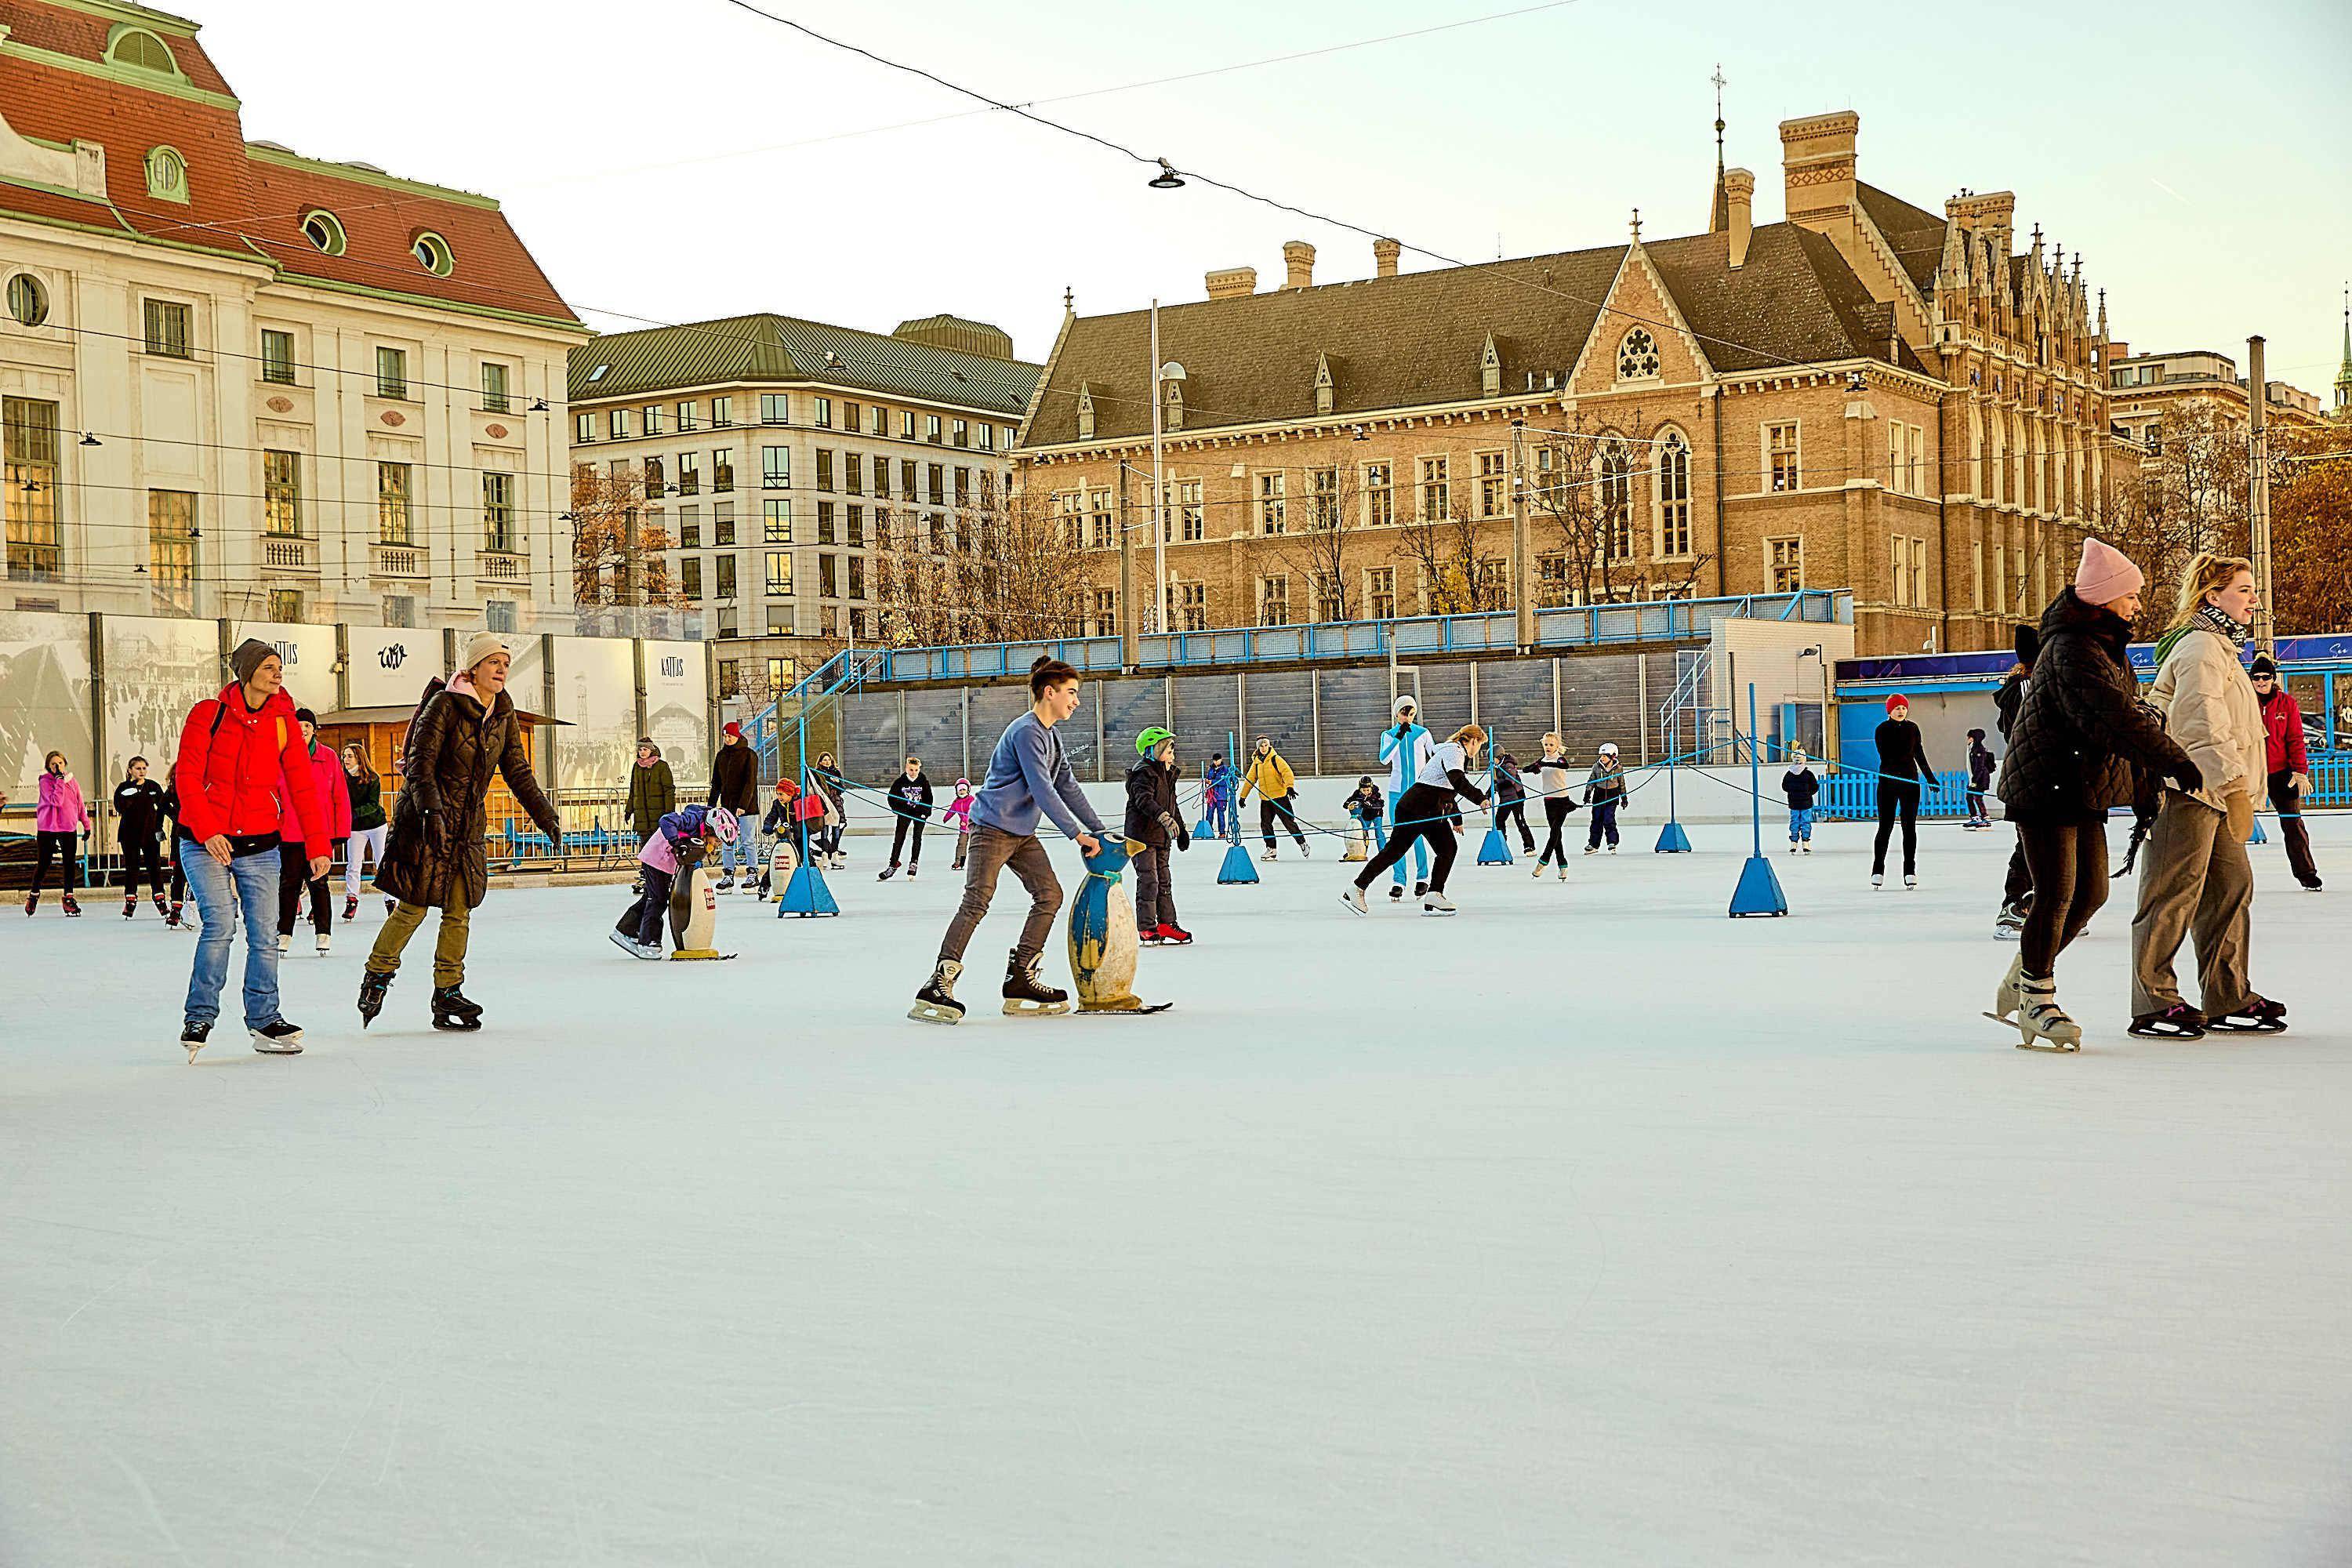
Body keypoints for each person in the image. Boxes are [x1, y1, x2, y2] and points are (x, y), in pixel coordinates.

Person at [1992, 539, 2196, 1051]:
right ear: (2105, 597)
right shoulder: (2070, 648)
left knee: (2093, 893)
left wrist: (2145, 787)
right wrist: (2169, 758)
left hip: (2080, 785)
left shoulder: (2105, 646)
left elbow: (2123, 721)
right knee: (2058, 893)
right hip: (2044, 786)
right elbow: (2114, 718)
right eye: (2130, 595)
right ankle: (2036, 998)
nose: (2137, 604)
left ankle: (2023, 975)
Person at [359, 632, 564, 1033]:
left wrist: (545, 816)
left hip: (467, 826)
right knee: (414, 906)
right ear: (474, 667)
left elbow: (517, 770)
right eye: (493, 662)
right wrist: (432, 812)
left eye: (505, 663)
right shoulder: (445, 705)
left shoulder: (502, 710)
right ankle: (377, 976)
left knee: (459, 909)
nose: (501, 669)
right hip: (426, 821)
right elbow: (419, 764)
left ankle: (447, 991)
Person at [2129, 554, 2283, 1038]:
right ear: (2212, 597)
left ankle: (2226, 994)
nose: (2254, 600)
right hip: (2188, 791)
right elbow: (2201, 725)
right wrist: (2236, 786)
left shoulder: (2221, 649)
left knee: (2230, 889)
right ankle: (2153, 1000)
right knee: (2171, 893)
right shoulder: (2198, 648)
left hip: (2216, 792)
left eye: (2253, 590)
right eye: (2244, 590)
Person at [910, 657, 1108, 1025]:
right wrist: (1077, 834)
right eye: (1071, 693)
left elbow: (1066, 786)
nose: (1076, 701)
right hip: (991, 828)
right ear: (1049, 692)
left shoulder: (1051, 735)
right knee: (977, 901)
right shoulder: (1026, 731)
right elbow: (1042, 789)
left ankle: (1021, 976)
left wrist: (1098, 829)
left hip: (1021, 834)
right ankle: (938, 982)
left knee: (1050, 894)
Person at [172, 640, 332, 1058]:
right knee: (220, 926)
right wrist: (207, 831)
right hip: (206, 841)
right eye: (268, 666)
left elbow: (302, 786)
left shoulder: (283, 721)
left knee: (265, 936)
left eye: (280, 667)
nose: (278, 673)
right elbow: (187, 777)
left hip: (261, 841)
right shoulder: (209, 714)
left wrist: (318, 843)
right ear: (246, 673)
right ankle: (200, 1015)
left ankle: (265, 1020)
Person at [1344, 724, 1490, 916]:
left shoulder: (1451, 752)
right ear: (1473, 741)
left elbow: (1447, 791)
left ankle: (1433, 895)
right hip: (1418, 808)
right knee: (1399, 851)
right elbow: (1458, 782)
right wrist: (1480, 798)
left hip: (1427, 809)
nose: (1478, 750)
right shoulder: (1455, 752)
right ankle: (1358, 888)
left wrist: (1456, 819)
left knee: (1443, 848)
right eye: (1480, 745)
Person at [611, 804, 735, 958]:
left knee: (650, 898)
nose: (717, 844)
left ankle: (625, 930)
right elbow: (666, 820)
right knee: (658, 900)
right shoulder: (693, 820)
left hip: (665, 864)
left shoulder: (703, 833)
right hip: (656, 858)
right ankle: (647, 942)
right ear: (710, 829)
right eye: (717, 840)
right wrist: (675, 842)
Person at [275, 708, 350, 956]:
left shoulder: (327, 757)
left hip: (319, 833)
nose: (303, 729)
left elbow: (340, 795)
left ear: (314, 729)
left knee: (319, 884)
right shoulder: (282, 756)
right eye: (298, 725)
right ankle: (284, 934)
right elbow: (273, 794)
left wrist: (340, 833)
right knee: (289, 885)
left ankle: (323, 933)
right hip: (290, 832)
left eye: (307, 725)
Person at [2251, 654, 2321, 891]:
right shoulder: (2245, 702)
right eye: (2256, 678)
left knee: (2293, 823)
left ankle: (2307, 873)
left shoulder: (2286, 703)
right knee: (2231, 823)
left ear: (2273, 678)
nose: (2261, 682)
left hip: (2281, 772)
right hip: (2252, 772)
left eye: (2265, 677)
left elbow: (2295, 738)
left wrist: (2300, 771)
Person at [1994, 625, 2040, 937]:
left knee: (2039, 845)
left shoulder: (2023, 686)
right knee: (2030, 844)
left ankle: (2040, 902)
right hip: (2032, 777)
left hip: (2034, 776)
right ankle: (2014, 904)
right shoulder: (2026, 687)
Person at [1126, 726, 1192, 946]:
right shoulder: (1143, 772)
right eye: (1168, 751)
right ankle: (1147, 927)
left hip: (1161, 837)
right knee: (1149, 881)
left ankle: (1166, 924)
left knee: (1164, 881)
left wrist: (1181, 830)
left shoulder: (1167, 773)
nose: (1173, 755)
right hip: (1141, 837)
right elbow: (1143, 800)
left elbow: (1173, 806)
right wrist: (1164, 818)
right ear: (1152, 750)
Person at [1870, 695, 1937, 889]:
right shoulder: (1882, 730)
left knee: (1909, 828)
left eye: (1903, 708)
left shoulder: (1913, 728)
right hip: (1888, 783)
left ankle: (1910, 870)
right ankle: (1878, 870)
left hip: (1910, 783)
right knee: (1886, 826)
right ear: (1889, 711)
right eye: (1896, 708)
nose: (1901, 711)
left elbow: (1919, 754)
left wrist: (1930, 778)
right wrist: (1896, 774)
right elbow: (1887, 755)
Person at [1377, 695, 1434, 898]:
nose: (1407, 717)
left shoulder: (1423, 733)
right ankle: (1398, 880)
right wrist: (1399, 737)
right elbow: (1384, 759)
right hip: (1396, 792)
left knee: (1418, 834)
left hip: (1418, 793)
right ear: (1396, 713)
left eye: (1411, 714)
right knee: (1397, 837)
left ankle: (1422, 878)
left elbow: (1434, 757)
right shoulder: (1389, 735)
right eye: (1404, 713)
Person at [111, 755, 171, 919]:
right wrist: (131, 796)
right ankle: (130, 899)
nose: (142, 771)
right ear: (130, 770)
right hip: (129, 834)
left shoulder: (153, 786)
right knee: (132, 867)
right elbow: (119, 806)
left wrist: (164, 825)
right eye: (138, 768)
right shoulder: (124, 787)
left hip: (150, 833)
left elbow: (164, 806)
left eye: (144, 768)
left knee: (154, 867)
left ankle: (160, 899)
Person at [707, 720, 760, 891]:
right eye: (725, 736)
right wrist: (711, 806)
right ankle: (728, 874)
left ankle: (752, 872)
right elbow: (716, 783)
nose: (728, 739)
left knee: (747, 840)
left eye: (730, 736)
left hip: (747, 808)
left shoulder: (749, 755)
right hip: (727, 807)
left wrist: (743, 805)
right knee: (727, 841)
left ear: (737, 736)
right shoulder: (721, 756)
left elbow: (750, 782)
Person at [1238, 735, 1309, 861]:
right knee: (1265, 824)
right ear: (1258, 747)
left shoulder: (1275, 759)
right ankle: (1271, 849)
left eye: (1266, 745)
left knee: (1288, 823)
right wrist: (1243, 796)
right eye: (1261, 746)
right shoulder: (1257, 763)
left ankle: (1302, 842)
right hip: (1266, 800)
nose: (1264, 748)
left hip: (1280, 797)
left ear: (1269, 746)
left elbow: (1287, 772)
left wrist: (1290, 787)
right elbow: (1250, 780)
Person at [341, 743, 387, 920]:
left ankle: (390, 901)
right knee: (353, 865)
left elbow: (373, 804)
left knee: (382, 861)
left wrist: (351, 814)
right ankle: (351, 902)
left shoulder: (373, 778)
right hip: (355, 829)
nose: (346, 759)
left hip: (376, 825)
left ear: (359, 757)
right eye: (344, 756)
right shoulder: (343, 778)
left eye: (350, 756)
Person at [1525, 734, 1578, 879]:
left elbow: (1564, 765)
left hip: (1562, 800)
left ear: (1557, 746)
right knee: (1557, 836)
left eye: (1551, 745)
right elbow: (1526, 769)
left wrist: (1545, 764)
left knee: (1554, 832)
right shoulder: (1542, 760)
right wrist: (1535, 767)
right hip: (1549, 801)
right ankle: (1563, 865)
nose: (1548, 748)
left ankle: (1543, 861)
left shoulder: (1559, 758)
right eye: (1546, 745)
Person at [880, 756, 936, 880]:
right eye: (911, 770)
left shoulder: (923, 781)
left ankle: (913, 863)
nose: (914, 773)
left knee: (917, 837)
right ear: (906, 768)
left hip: (919, 813)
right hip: (904, 813)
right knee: (899, 838)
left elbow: (929, 799)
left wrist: (925, 813)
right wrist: (899, 810)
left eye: (916, 770)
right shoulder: (899, 782)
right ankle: (893, 864)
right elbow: (891, 798)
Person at [755, 776, 803, 898]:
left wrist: (797, 830)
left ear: (790, 793)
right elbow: (772, 817)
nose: (779, 797)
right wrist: (767, 828)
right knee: (776, 863)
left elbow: (803, 820)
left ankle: (807, 884)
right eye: (778, 794)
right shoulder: (777, 804)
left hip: (799, 838)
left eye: (782, 794)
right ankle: (764, 886)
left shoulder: (798, 802)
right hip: (784, 839)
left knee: (803, 861)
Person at [626, 739, 675, 853]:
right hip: (642, 816)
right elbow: (633, 790)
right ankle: (646, 869)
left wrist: (669, 813)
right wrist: (629, 810)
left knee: (659, 845)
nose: (642, 752)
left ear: (651, 750)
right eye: (640, 749)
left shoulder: (661, 766)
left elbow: (669, 790)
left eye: (645, 749)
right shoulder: (637, 767)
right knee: (645, 846)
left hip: (658, 815)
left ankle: (657, 870)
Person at [1584, 743, 1625, 853]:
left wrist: (1624, 798)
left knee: (1608, 820)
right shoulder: (1596, 767)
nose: (1602, 758)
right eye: (1601, 755)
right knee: (1596, 820)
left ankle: (1612, 842)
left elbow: (1622, 784)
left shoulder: (1618, 769)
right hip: (1598, 797)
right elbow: (1591, 781)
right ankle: (1593, 844)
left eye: (1605, 756)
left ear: (1613, 756)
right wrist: (1587, 793)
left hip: (1612, 798)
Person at [810, 752, 848, 868]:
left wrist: (835, 782)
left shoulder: (836, 772)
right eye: (824, 760)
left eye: (829, 760)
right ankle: (825, 855)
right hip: (824, 803)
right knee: (824, 829)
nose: (827, 762)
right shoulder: (817, 773)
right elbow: (816, 787)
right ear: (820, 762)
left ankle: (834, 854)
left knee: (837, 828)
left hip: (836, 803)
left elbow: (842, 788)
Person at [1492, 753, 1535, 854]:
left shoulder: (1508, 765)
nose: (1491, 761)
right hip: (1506, 799)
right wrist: (1487, 795)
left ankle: (1529, 846)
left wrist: (1497, 787)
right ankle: (1501, 844)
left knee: (1519, 820)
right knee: (1499, 820)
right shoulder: (1496, 768)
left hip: (1517, 798)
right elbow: (1494, 784)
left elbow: (1509, 782)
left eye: (1492, 758)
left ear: (1499, 756)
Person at [1781, 749, 1820, 853]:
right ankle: (1804, 842)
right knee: (1804, 822)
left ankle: (1795, 842)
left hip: (1795, 803)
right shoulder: (1808, 774)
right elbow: (1815, 787)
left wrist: (1793, 793)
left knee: (1795, 822)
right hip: (1804, 803)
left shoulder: (1790, 774)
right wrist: (1807, 794)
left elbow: (1784, 787)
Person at [1342, 776, 1386, 862]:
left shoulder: (1376, 794)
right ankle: (1359, 852)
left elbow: (1380, 804)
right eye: (1363, 790)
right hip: (1366, 816)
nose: (1366, 792)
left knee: (1379, 833)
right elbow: (1350, 800)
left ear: (1371, 788)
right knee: (1362, 833)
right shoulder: (1357, 794)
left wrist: (1371, 805)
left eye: (1368, 790)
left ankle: (1383, 852)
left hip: (1377, 815)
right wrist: (1348, 804)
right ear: (1360, 789)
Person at [1965, 729, 1997, 829]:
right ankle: (1979, 817)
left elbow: (1980, 767)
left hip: (1980, 779)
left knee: (1974, 797)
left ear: (1974, 738)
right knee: (1972, 797)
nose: (1968, 739)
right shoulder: (1972, 748)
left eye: (1969, 737)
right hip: (1975, 779)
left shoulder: (1978, 749)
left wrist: (1974, 782)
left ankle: (1982, 818)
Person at [1199, 753, 1235, 841]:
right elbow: (1209, 779)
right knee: (1209, 814)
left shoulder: (1225, 770)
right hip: (1212, 796)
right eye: (1214, 760)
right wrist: (1207, 781)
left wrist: (1213, 781)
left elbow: (1225, 782)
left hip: (1221, 797)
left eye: (1217, 760)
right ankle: (1208, 831)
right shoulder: (1211, 769)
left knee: (1220, 815)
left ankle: (1222, 833)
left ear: (1221, 760)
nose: (1216, 762)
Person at [943, 778, 976, 870]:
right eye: (960, 790)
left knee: (976, 845)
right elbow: (951, 811)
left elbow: (970, 812)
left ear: (968, 790)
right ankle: (959, 863)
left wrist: (965, 820)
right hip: (963, 828)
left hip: (974, 827)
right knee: (961, 844)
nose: (962, 791)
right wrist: (946, 818)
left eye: (964, 789)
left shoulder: (972, 800)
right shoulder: (956, 802)